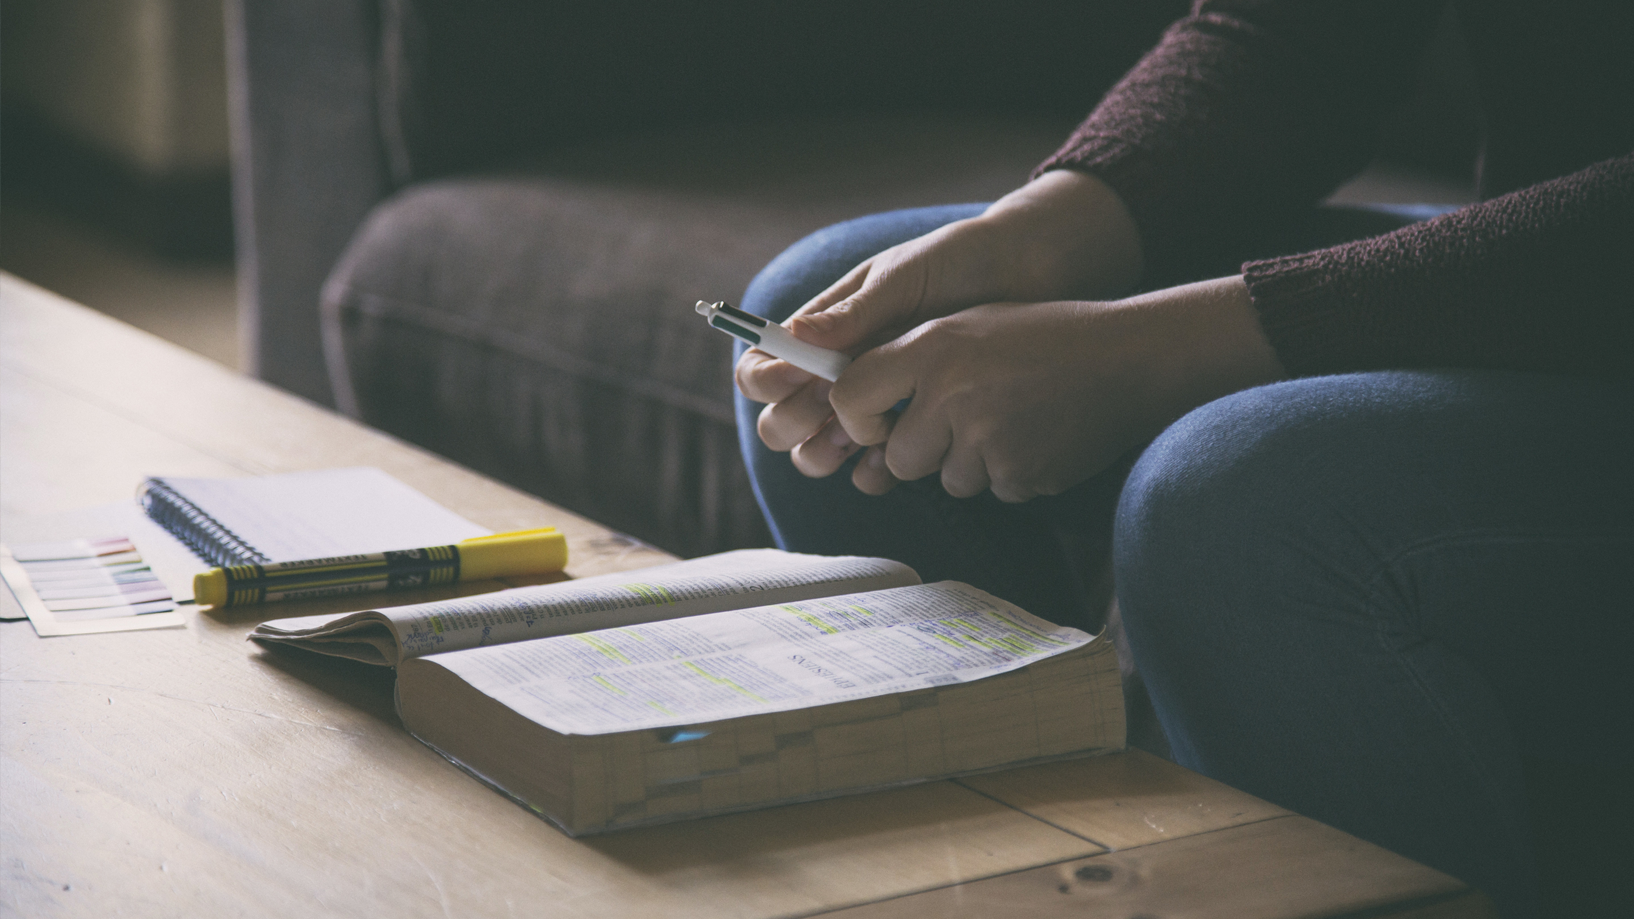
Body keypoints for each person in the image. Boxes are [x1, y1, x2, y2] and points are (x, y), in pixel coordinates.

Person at [730, 2, 1632, 917]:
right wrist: (1032, 234)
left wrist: (1149, 351)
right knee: (840, 300)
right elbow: (1301, 36)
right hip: (1535, 263)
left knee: (1238, 498)